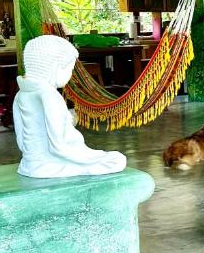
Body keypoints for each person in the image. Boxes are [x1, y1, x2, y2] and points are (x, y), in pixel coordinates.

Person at [13, 35, 126, 178]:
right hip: (51, 166)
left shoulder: (22, 93)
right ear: (54, 67)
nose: (70, 75)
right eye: (69, 69)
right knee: (116, 160)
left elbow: (21, 138)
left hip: (29, 164)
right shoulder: (49, 95)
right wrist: (91, 158)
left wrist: (67, 119)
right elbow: (59, 145)